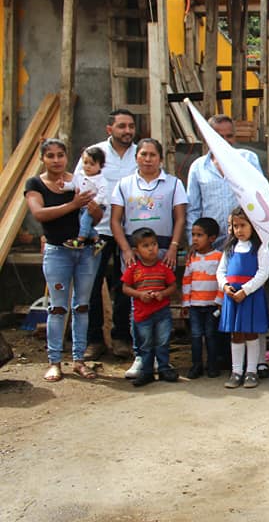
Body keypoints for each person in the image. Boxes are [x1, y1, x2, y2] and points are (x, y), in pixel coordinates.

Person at [24, 138, 102, 382]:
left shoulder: (78, 179)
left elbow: (97, 215)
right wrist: (73, 204)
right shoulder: (36, 183)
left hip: (86, 251)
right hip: (58, 251)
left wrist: (92, 208)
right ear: (43, 158)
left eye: (60, 155)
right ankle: (54, 361)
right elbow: (39, 214)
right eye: (51, 156)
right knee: (57, 308)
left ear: (67, 157)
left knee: (82, 306)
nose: (56, 160)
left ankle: (79, 360)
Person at [111, 138, 187, 380]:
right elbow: (115, 220)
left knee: (161, 302)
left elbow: (180, 218)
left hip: (163, 251)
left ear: (160, 158)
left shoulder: (173, 184)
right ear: (136, 157)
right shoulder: (124, 185)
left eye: (152, 154)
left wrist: (173, 247)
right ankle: (141, 357)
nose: (147, 159)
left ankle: (162, 359)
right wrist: (126, 249)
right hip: (134, 253)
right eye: (143, 154)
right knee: (138, 306)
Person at [80, 108, 138, 361]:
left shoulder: (141, 153)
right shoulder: (95, 153)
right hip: (100, 230)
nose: (127, 131)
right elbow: (80, 186)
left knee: (126, 283)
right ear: (109, 129)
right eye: (122, 126)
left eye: (131, 126)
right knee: (91, 284)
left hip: (132, 232)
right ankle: (94, 340)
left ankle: (122, 337)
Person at [187, 114, 264, 250]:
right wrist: (193, 241)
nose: (225, 141)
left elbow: (261, 198)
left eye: (229, 136)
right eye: (219, 136)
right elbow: (193, 209)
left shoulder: (248, 160)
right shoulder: (198, 167)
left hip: (243, 241)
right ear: (207, 137)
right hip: (210, 244)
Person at [217, 206, 269, 390]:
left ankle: (251, 371)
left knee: (251, 333)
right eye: (235, 226)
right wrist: (225, 286)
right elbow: (221, 271)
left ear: (253, 226)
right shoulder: (229, 248)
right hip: (232, 297)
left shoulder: (261, 248)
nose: (239, 230)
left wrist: (246, 290)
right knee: (236, 334)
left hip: (250, 297)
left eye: (243, 225)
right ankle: (236, 371)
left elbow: (263, 273)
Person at [121, 228, 178, 387]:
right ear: (136, 250)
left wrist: (163, 293)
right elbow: (125, 288)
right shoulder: (133, 269)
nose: (151, 248)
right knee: (145, 344)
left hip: (162, 312)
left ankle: (164, 368)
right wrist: (139, 294)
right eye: (146, 245)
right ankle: (146, 372)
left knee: (163, 341)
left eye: (154, 244)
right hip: (142, 314)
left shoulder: (163, 267)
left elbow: (173, 286)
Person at [182, 217, 223, 379]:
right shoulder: (191, 258)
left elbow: (222, 281)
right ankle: (196, 365)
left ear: (212, 238)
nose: (195, 239)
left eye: (200, 235)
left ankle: (212, 365)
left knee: (211, 335)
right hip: (195, 305)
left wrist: (219, 301)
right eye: (193, 235)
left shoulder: (219, 257)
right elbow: (186, 281)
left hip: (212, 305)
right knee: (196, 336)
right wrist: (186, 303)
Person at [62, 146, 108, 253]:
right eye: (85, 162)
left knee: (84, 221)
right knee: (83, 223)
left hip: (95, 206)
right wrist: (63, 185)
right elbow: (72, 186)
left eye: (92, 164)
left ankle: (80, 240)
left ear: (100, 166)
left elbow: (102, 193)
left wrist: (95, 202)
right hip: (82, 206)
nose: (87, 166)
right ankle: (97, 239)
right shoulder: (79, 175)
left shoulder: (101, 179)